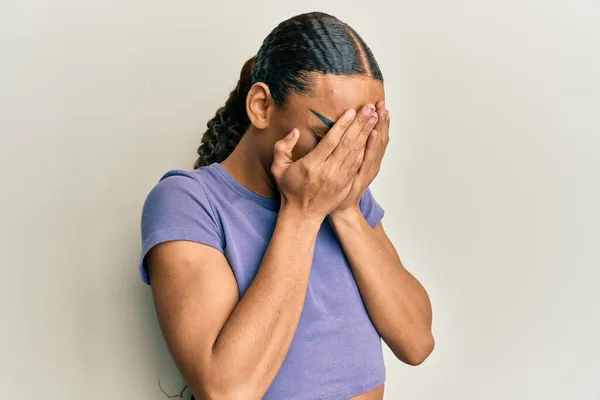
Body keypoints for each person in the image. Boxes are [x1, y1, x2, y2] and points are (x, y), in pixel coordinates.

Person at [139, 11, 434, 400]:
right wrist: (303, 214)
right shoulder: (188, 202)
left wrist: (344, 209)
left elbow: (416, 342)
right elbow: (228, 391)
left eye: (362, 135)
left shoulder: (343, 196)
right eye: (329, 135)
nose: (347, 156)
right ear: (261, 106)